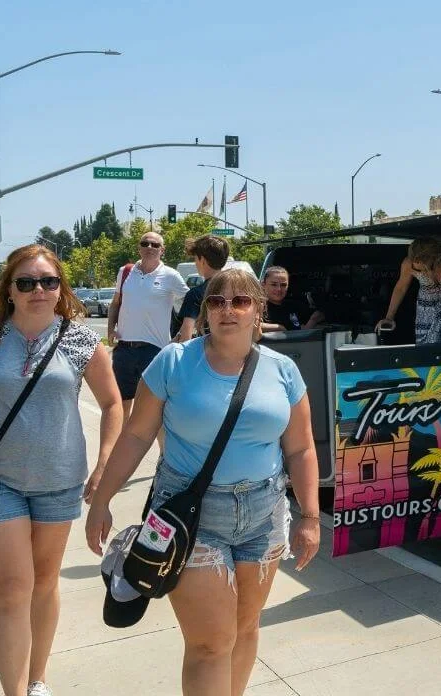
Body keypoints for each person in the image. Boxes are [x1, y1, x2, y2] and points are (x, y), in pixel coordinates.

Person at [86, 268, 320, 696]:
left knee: (245, 629)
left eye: (240, 301)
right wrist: (102, 500)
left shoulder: (283, 370)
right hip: (188, 516)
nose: (228, 310)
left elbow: (301, 449)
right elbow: (136, 435)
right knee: (211, 642)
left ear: (258, 310)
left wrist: (310, 516)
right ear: (205, 309)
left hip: (263, 514)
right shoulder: (174, 362)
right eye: (217, 301)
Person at [0, 244, 123, 696]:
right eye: (27, 282)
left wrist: (104, 465)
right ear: (9, 290)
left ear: (61, 288)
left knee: (44, 582)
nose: (39, 290)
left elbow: (114, 404)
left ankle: (37, 679)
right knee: (14, 588)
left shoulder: (78, 339)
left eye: (48, 281)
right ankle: (13, 691)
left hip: (59, 481)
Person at [107, 232, 189, 425]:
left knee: (155, 409)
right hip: (125, 349)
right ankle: (118, 450)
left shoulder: (171, 276)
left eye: (155, 244)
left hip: (155, 351)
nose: (149, 247)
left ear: (162, 250)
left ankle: (163, 454)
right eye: (145, 243)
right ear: (139, 247)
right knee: (120, 405)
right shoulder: (125, 271)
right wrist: (110, 328)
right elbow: (115, 303)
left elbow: (192, 304)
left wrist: (180, 335)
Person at [377, 237, 441, 344]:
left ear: (436, 258)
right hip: (425, 312)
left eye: (428, 267)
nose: (425, 273)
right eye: (418, 270)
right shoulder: (408, 263)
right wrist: (389, 317)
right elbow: (401, 288)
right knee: (426, 348)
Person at [175, 235, 230, 342]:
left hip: (208, 354)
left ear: (202, 260)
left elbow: (186, 337)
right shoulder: (237, 288)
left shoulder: (196, 293)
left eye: (195, 259)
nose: (195, 263)